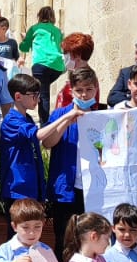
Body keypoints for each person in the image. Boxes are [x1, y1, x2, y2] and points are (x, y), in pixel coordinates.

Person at [45, 66, 107, 244]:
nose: (84, 95)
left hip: (94, 187)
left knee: (92, 239)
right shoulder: (60, 114)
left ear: (96, 89)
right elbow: (48, 143)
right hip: (66, 188)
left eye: (89, 90)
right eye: (79, 90)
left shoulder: (103, 116)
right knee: (65, 238)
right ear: (71, 91)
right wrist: (66, 121)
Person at [0, 74, 46, 213]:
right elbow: (37, 135)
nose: (37, 99)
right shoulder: (11, 121)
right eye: (34, 95)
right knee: (18, 231)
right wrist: (66, 118)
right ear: (18, 96)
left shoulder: (28, 118)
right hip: (17, 188)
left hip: (32, 187)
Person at [19, 6, 66, 122]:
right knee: (43, 89)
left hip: (40, 64)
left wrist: (24, 39)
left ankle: (45, 124)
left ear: (39, 16)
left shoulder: (34, 29)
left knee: (43, 95)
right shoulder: (58, 31)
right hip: (57, 66)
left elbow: (23, 48)